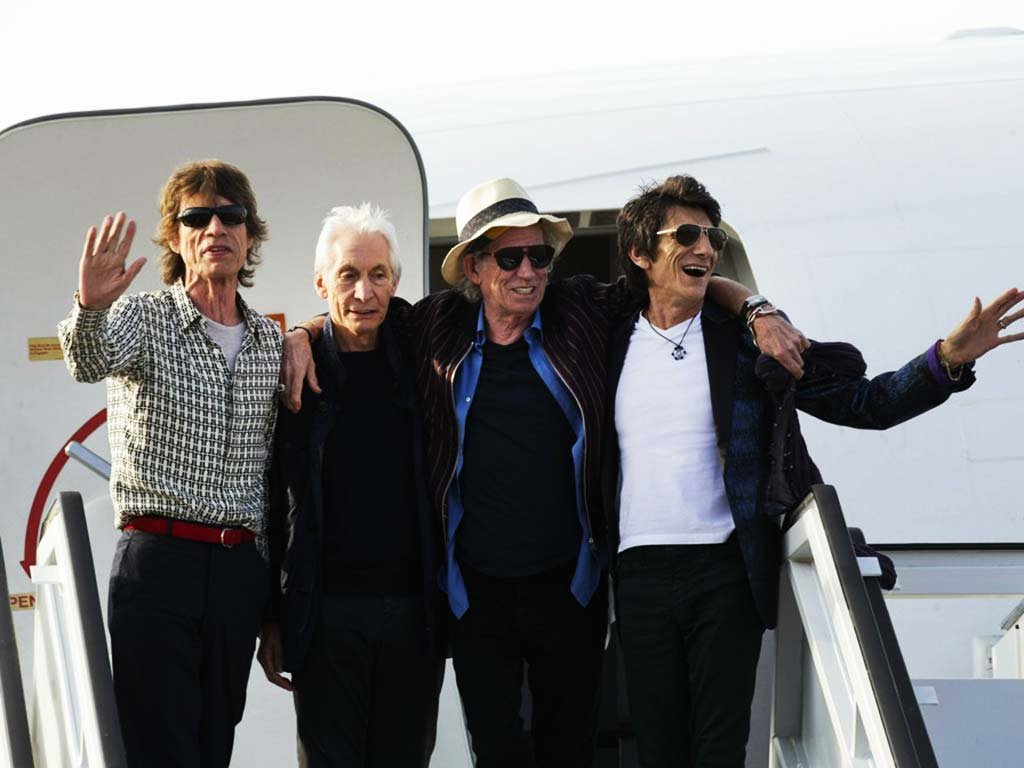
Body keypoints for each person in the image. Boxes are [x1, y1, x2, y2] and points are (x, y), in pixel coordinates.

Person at [281, 178, 804, 767]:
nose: (529, 272)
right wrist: (303, 333)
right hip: (477, 594)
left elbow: (673, 281)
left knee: (569, 749)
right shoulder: (435, 326)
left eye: (539, 256)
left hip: (568, 586)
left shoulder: (578, 309)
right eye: (510, 258)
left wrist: (756, 309)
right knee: (497, 752)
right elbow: (359, 312)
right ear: (474, 268)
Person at [603, 174, 1024, 768]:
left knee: (719, 746)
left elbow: (865, 403)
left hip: (724, 568)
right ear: (641, 253)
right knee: (656, 745)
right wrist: (753, 302)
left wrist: (945, 361)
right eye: (687, 235)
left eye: (713, 238)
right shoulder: (606, 336)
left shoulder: (749, 345)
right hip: (638, 569)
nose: (705, 248)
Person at [57, 160, 282, 767]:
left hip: (238, 571)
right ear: (176, 239)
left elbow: (271, 479)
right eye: (197, 217)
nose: (216, 228)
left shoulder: (271, 342)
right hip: (158, 564)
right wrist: (90, 305)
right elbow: (86, 359)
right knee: (159, 750)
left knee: (214, 747)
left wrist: (270, 605)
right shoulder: (144, 316)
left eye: (231, 215)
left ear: (250, 235)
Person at [256, 204, 445, 767]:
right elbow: (270, 502)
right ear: (321, 284)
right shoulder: (294, 373)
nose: (365, 291)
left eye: (378, 274)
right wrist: (271, 617)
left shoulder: (424, 357)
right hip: (325, 619)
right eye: (348, 275)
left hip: (414, 617)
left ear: (396, 282)